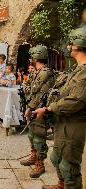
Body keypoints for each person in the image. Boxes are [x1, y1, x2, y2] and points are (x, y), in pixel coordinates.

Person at [34, 26, 86, 189]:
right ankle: (61, 185)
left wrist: (50, 109)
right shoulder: (77, 69)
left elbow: (76, 101)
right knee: (56, 158)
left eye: (71, 43)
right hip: (63, 122)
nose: (68, 46)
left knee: (69, 166)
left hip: (74, 124)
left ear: (78, 44)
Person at [19, 45, 54, 178]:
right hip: (33, 108)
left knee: (39, 137)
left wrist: (29, 107)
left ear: (36, 57)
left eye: (31, 57)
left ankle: (40, 164)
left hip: (40, 110)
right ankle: (33, 156)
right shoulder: (37, 72)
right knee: (32, 135)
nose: (30, 59)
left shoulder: (45, 73)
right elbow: (28, 88)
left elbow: (38, 94)